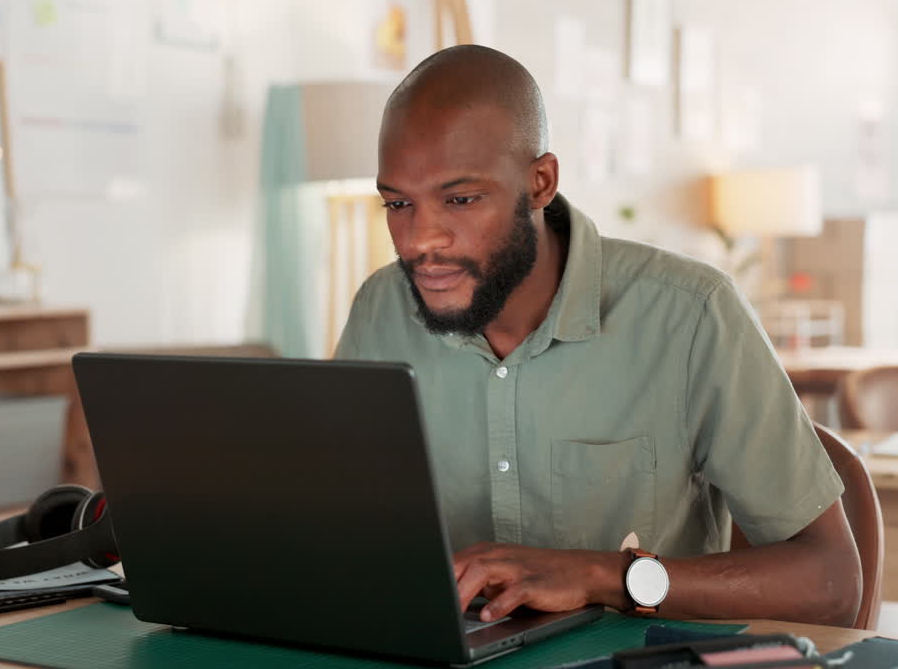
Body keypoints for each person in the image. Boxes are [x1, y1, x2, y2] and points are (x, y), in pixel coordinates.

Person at [334, 44, 861, 627]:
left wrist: (601, 576)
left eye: (460, 199)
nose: (419, 241)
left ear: (540, 182)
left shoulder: (689, 316)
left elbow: (831, 580)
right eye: (398, 203)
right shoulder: (379, 310)